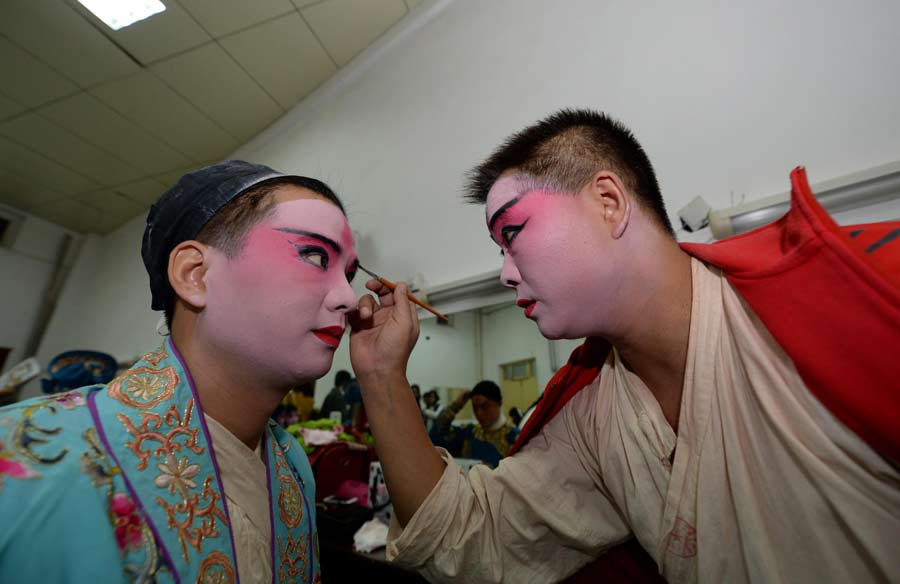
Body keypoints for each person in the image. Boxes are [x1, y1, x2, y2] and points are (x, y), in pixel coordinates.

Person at [347, 110, 900, 583]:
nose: (505, 274)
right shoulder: (592, 417)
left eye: (511, 234)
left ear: (609, 200)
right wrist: (380, 374)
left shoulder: (842, 301)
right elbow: (464, 539)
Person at [0, 160, 360, 583]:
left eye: (350, 274)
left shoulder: (291, 462)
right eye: (316, 256)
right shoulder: (26, 450)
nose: (349, 298)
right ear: (195, 274)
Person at [429, 381, 519, 468]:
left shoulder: (514, 437)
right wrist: (455, 406)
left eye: (485, 406)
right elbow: (436, 437)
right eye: (475, 408)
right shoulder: (469, 432)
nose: (479, 413)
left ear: (499, 403)